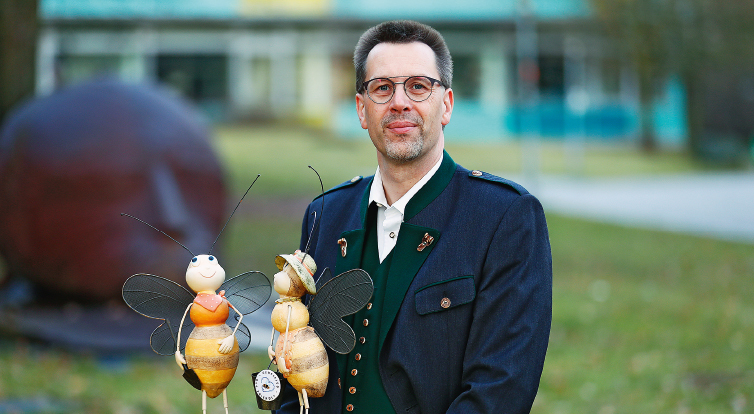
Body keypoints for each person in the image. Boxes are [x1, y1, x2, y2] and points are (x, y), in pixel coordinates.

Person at [281, 20, 552, 414]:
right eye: (382, 88)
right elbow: (297, 372)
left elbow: (501, 390)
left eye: (419, 86)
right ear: (361, 108)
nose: (399, 102)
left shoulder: (505, 216)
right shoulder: (325, 214)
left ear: (446, 105)